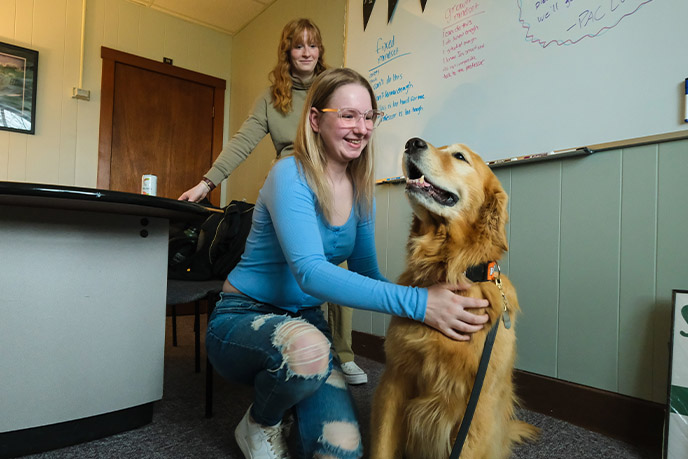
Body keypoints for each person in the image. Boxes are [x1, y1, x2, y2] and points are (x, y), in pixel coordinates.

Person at [204, 68, 490, 459]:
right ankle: (260, 422)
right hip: (243, 318)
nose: (362, 128)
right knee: (307, 352)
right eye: (348, 115)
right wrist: (422, 304)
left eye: (369, 116)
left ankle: (291, 395)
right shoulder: (288, 174)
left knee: (343, 451)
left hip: (306, 326)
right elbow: (310, 273)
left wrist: (434, 304)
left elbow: (367, 275)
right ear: (316, 120)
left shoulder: (360, 190)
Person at [178, 18, 368, 385]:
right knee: (290, 267)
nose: (307, 52)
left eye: (313, 45)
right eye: (299, 46)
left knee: (335, 268)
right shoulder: (271, 98)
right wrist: (207, 183)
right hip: (292, 183)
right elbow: (242, 141)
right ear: (288, 52)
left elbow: (353, 129)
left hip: (330, 181)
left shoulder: (333, 88)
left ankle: (343, 353)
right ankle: (288, 343)